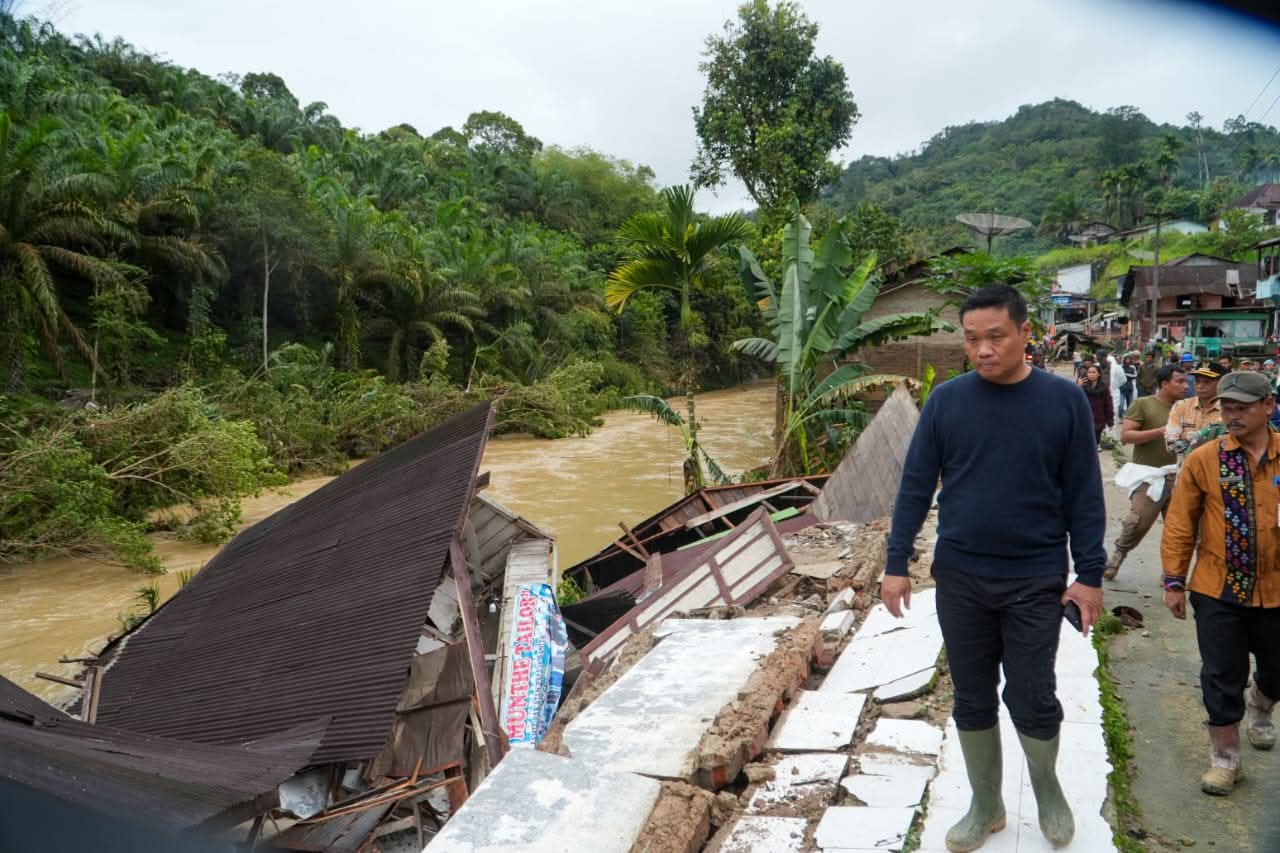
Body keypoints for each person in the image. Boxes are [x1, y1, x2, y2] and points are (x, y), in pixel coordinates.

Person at [882, 284, 1104, 851]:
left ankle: (1047, 789)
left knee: (1032, 694)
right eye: (972, 339)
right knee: (973, 694)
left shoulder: (1063, 401)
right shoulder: (947, 402)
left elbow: (1084, 493)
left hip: (1035, 575)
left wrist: (1090, 575)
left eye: (995, 337)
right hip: (960, 575)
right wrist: (896, 561)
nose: (982, 349)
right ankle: (987, 804)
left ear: (1026, 334)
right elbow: (914, 485)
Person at [1161, 371, 1280, 795]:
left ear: (1268, 406)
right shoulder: (1205, 459)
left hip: (1278, 590)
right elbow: (1179, 523)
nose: (1232, 415)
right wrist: (1174, 580)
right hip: (1218, 588)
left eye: (1242, 407)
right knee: (1221, 673)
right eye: (1227, 407)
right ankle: (1225, 758)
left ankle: (1262, 703)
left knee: (1276, 668)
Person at [1103, 364, 1187, 579]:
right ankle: (1117, 557)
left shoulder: (1186, 408)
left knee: (1179, 530)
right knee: (1137, 522)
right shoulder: (1143, 404)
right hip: (1150, 477)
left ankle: (1171, 573)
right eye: (1179, 381)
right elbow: (1126, 436)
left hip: (1179, 476)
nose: (1185, 386)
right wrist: (1161, 431)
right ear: (1164, 383)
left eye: (1186, 381)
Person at [1166, 362, 1227, 463]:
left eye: (1207, 382)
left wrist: (1187, 436)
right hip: (1186, 471)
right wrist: (1208, 440)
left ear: (1221, 383)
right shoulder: (1181, 406)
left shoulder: (1229, 410)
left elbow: (1227, 448)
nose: (1200, 386)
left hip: (1216, 471)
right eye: (1197, 381)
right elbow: (1171, 446)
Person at [1079, 364, 1113, 448]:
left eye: (1094, 372)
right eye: (1089, 372)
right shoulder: (1083, 386)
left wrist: (1110, 420)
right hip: (1084, 418)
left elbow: (1108, 404)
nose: (1091, 374)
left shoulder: (1104, 388)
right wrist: (1078, 386)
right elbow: (1074, 399)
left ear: (1099, 374)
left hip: (1098, 418)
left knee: (1095, 444)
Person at [1107, 352, 1126, 430]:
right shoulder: (1118, 368)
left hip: (1112, 391)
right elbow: (1124, 380)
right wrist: (1117, 385)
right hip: (1115, 392)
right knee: (1114, 411)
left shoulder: (1103, 367)